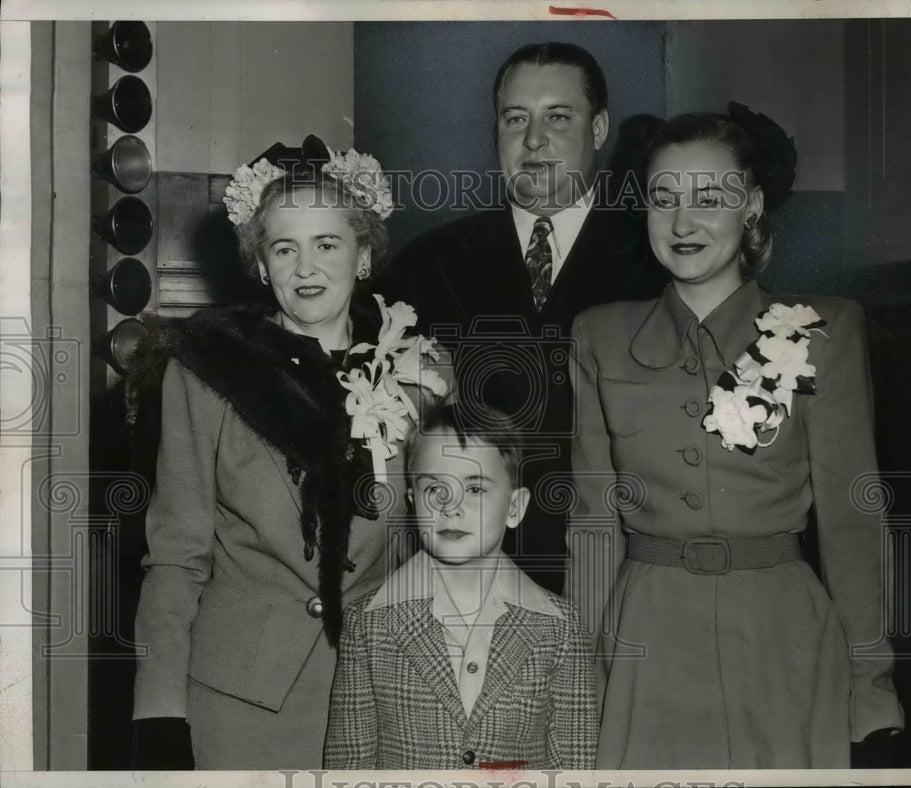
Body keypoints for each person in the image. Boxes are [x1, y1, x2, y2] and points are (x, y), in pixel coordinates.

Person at [567, 109, 904, 768]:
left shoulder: (818, 331)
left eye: (708, 198)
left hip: (784, 640)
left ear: (749, 205)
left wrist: (872, 687)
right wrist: (585, 676)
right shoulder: (599, 336)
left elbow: (853, 525)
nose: (682, 222)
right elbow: (592, 526)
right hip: (645, 639)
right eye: (664, 199)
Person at [126, 136, 448, 769]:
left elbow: (437, 548)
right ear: (261, 264)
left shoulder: (420, 372)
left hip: (383, 691)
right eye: (284, 248)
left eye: (327, 244)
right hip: (240, 699)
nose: (306, 269)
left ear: (362, 256)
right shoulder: (206, 373)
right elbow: (175, 556)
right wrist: (159, 711)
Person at [385, 42, 667, 594]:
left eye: (558, 117)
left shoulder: (658, 263)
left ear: (600, 126)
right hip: (460, 584)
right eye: (516, 118)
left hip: (613, 581)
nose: (533, 140)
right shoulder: (424, 264)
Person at [323, 401, 597, 769]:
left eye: (476, 489)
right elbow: (348, 769)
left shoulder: (560, 627)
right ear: (412, 503)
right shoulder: (367, 625)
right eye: (435, 488)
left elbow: (574, 767)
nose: (451, 506)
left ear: (515, 508)